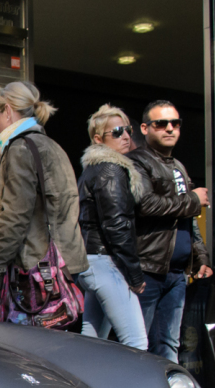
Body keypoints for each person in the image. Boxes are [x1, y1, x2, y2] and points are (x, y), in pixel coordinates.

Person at [0, 81, 85, 315]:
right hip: (59, 267)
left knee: (20, 348)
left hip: (33, 271)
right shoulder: (52, 146)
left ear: (8, 110)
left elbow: (14, 217)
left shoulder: (21, 148)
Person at [128, 100, 213, 361]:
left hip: (176, 273)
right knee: (138, 345)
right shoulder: (137, 162)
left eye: (175, 123)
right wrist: (193, 200)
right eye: (161, 123)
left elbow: (188, 218)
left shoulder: (178, 166)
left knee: (168, 344)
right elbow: (146, 204)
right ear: (144, 128)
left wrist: (200, 256)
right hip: (148, 269)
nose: (169, 129)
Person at [76, 103, 148, 349]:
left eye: (127, 130)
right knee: (137, 343)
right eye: (117, 132)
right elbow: (116, 224)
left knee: (92, 343)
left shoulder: (93, 169)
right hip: (106, 262)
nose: (126, 136)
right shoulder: (111, 169)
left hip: (93, 261)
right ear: (98, 139)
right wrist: (135, 275)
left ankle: (77, 386)